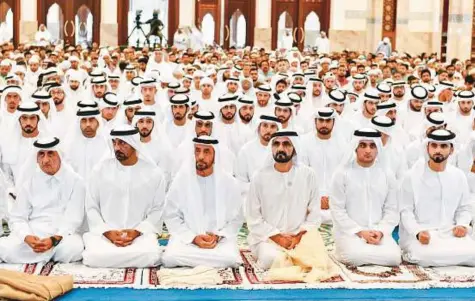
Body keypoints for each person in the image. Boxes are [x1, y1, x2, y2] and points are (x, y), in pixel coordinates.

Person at [82, 125, 166, 268]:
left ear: (134, 143)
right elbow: (91, 207)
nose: (117, 148)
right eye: (114, 142)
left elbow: (158, 210)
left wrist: (136, 232)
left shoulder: (154, 173)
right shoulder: (100, 171)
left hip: (139, 235)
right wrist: (107, 232)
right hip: (106, 234)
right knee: (92, 257)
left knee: (151, 255)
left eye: (122, 143)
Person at [0, 137, 85, 264]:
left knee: (73, 249)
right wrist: (27, 237)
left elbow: (73, 219)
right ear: (36, 157)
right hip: (35, 233)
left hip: (63, 236)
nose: (45, 160)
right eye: (41, 154)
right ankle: (47, 255)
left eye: (51, 153)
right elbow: (18, 217)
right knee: (6, 248)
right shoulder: (29, 182)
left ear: (60, 155)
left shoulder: (76, 181)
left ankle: (39, 256)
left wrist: (54, 240)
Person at [162, 136, 243, 268]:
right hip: (187, 239)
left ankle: (200, 259)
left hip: (218, 241)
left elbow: (237, 218)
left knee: (231, 259)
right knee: (169, 258)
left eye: (206, 152)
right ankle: (209, 260)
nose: (200, 156)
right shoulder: (181, 179)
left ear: (215, 155)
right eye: (197, 151)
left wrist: (218, 236)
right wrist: (193, 238)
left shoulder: (229, 182)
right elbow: (171, 216)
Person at [399, 129, 475, 267]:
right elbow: (406, 211)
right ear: (427, 147)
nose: (438, 150)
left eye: (443, 146)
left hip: (450, 233)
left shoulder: (458, 176)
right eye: (434, 145)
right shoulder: (412, 176)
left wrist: (462, 225)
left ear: (451, 150)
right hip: (424, 235)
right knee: (424, 256)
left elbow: (465, 208)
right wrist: (417, 232)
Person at [246, 130, 320, 269]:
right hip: (267, 239)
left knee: (315, 260)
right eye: (276, 144)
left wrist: (298, 237)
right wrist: (278, 237)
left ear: (295, 148)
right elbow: (253, 218)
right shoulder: (259, 177)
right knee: (270, 259)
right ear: (271, 148)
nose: (280, 148)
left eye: (286, 144)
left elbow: (315, 214)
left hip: (300, 238)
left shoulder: (308, 175)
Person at [331, 128, 401, 266]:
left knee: (394, 258)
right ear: (355, 148)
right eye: (362, 145)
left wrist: (381, 231)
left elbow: (392, 209)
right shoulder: (342, 174)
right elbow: (337, 210)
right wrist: (360, 232)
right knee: (354, 257)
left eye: (372, 146)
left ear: (378, 149)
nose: (368, 150)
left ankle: (370, 250)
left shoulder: (387, 175)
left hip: (378, 231)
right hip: (350, 232)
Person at [301, 108, 346, 224]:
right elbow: (302, 175)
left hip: (335, 201)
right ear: (315, 121)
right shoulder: (304, 142)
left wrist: (331, 199)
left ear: (334, 122)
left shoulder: (343, 144)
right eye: (320, 120)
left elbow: (345, 177)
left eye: (328, 121)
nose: (324, 124)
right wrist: (317, 199)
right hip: (310, 201)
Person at [235, 115, 281, 195]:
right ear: (258, 128)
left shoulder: (282, 151)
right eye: (265, 126)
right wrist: (261, 190)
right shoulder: (246, 150)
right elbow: (240, 182)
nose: (268, 130)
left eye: (273, 126)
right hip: (252, 197)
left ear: (277, 130)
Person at [63, 107, 108, 179]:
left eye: (91, 120)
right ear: (79, 124)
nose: (88, 124)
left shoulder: (106, 145)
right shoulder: (70, 146)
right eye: (84, 121)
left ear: (98, 123)